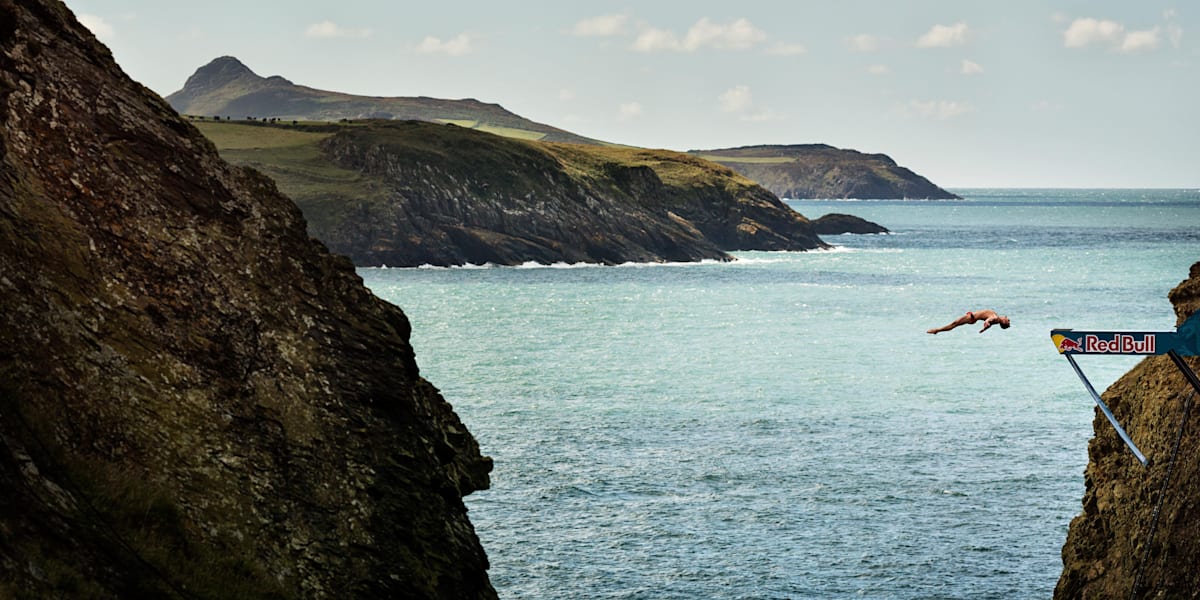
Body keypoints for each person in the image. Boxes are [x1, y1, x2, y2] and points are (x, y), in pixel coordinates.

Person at [927, 309, 1011, 334]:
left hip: (971, 317)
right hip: (973, 318)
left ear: (1003, 322)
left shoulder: (995, 317)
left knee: (954, 324)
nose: (1009, 319)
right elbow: (989, 324)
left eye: (1008, 321)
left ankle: (937, 330)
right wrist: (984, 328)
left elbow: (990, 319)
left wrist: (987, 322)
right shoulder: (996, 321)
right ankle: (937, 330)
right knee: (954, 325)